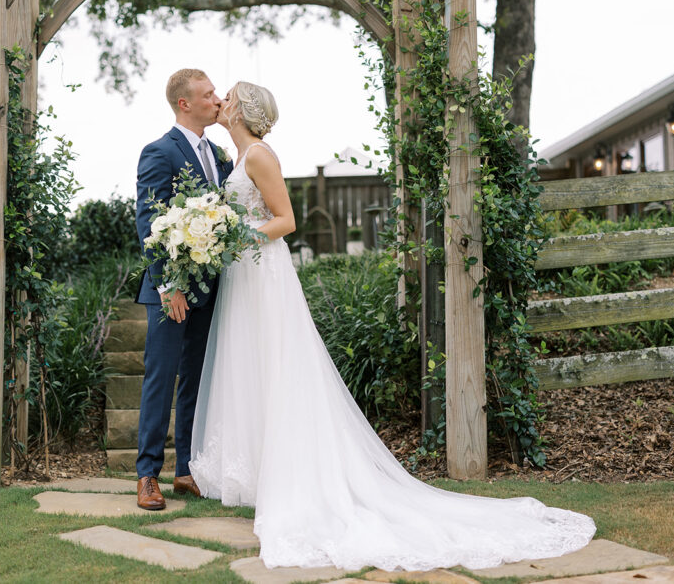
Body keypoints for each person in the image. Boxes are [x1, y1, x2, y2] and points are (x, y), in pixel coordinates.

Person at [189, 81, 596, 572]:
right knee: (251, 369)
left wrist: (234, 232)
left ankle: (296, 481)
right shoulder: (237, 157)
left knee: (277, 368)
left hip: (264, 275)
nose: (223, 100)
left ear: (243, 109)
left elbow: (286, 220)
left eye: (229, 95)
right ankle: (262, 474)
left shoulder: (258, 155)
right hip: (245, 276)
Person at [133, 69, 233, 511]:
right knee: (161, 378)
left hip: (211, 288)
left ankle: (186, 470)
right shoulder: (158, 151)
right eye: (208, 94)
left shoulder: (220, 155)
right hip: (169, 292)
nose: (216, 99)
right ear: (184, 104)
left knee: (196, 377)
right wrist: (169, 285)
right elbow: (148, 224)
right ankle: (146, 476)